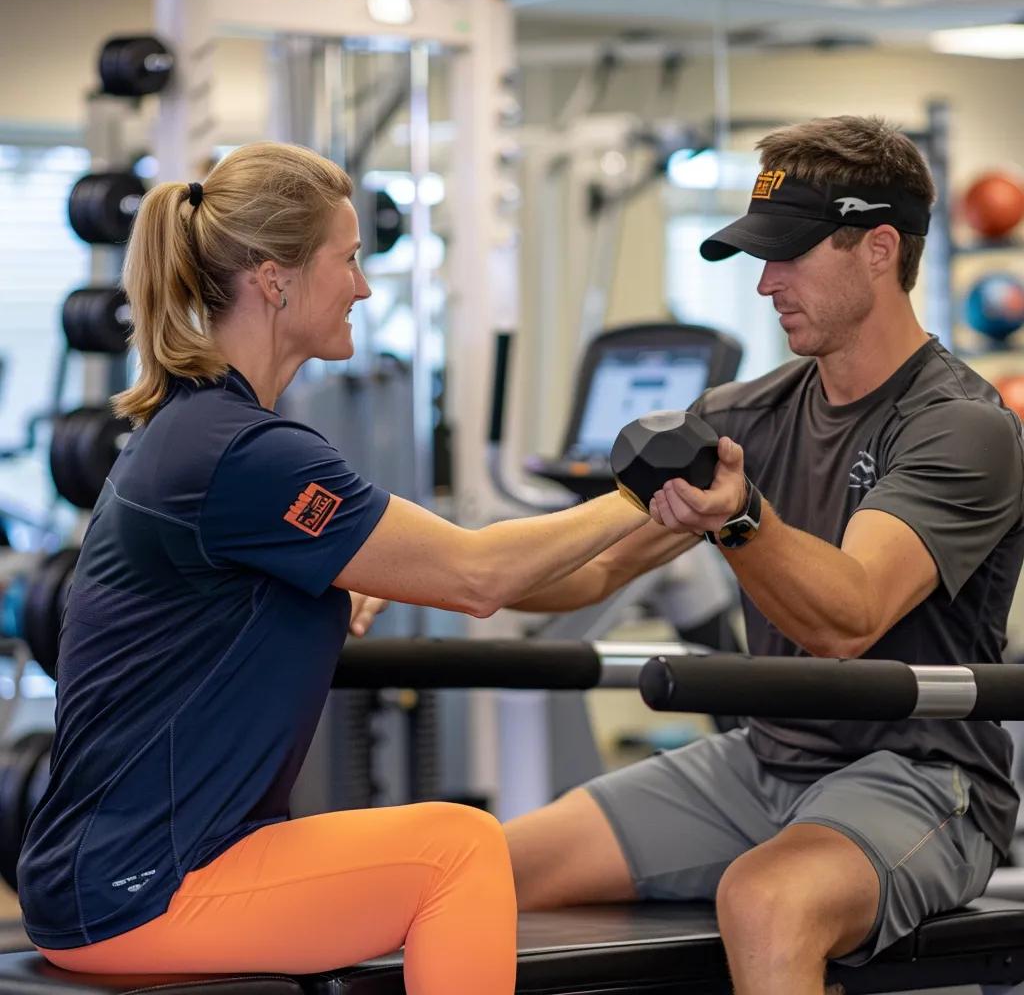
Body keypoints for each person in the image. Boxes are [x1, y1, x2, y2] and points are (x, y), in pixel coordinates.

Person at [17, 141, 691, 993]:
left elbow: (544, 578)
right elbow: (479, 576)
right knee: (460, 850)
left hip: (114, 871)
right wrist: (644, 488)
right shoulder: (245, 453)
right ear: (275, 280)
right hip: (142, 886)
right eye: (349, 260)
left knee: (449, 847)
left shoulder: (205, 430)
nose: (364, 288)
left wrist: (690, 521)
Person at [504, 115, 1024, 995]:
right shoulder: (742, 415)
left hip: (921, 776)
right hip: (762, 761)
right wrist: (384, 571)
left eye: (788, 255)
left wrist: (742, 518)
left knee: (766, 900)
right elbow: (592, 568)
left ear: (879, 248)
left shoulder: (961, 427)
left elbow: (849, 617)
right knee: (484, 867)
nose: (765, 282)